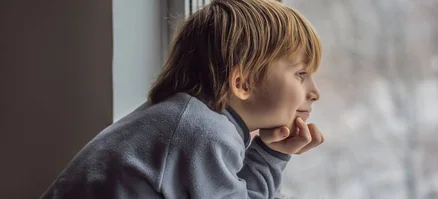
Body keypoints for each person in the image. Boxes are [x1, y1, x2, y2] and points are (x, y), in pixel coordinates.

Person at [41, 0, 324, 198]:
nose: (315, 92)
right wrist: (270, 159)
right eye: (301, 74)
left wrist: (271, 154)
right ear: (242, 83)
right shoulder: (204, 132)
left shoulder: (188, 118)